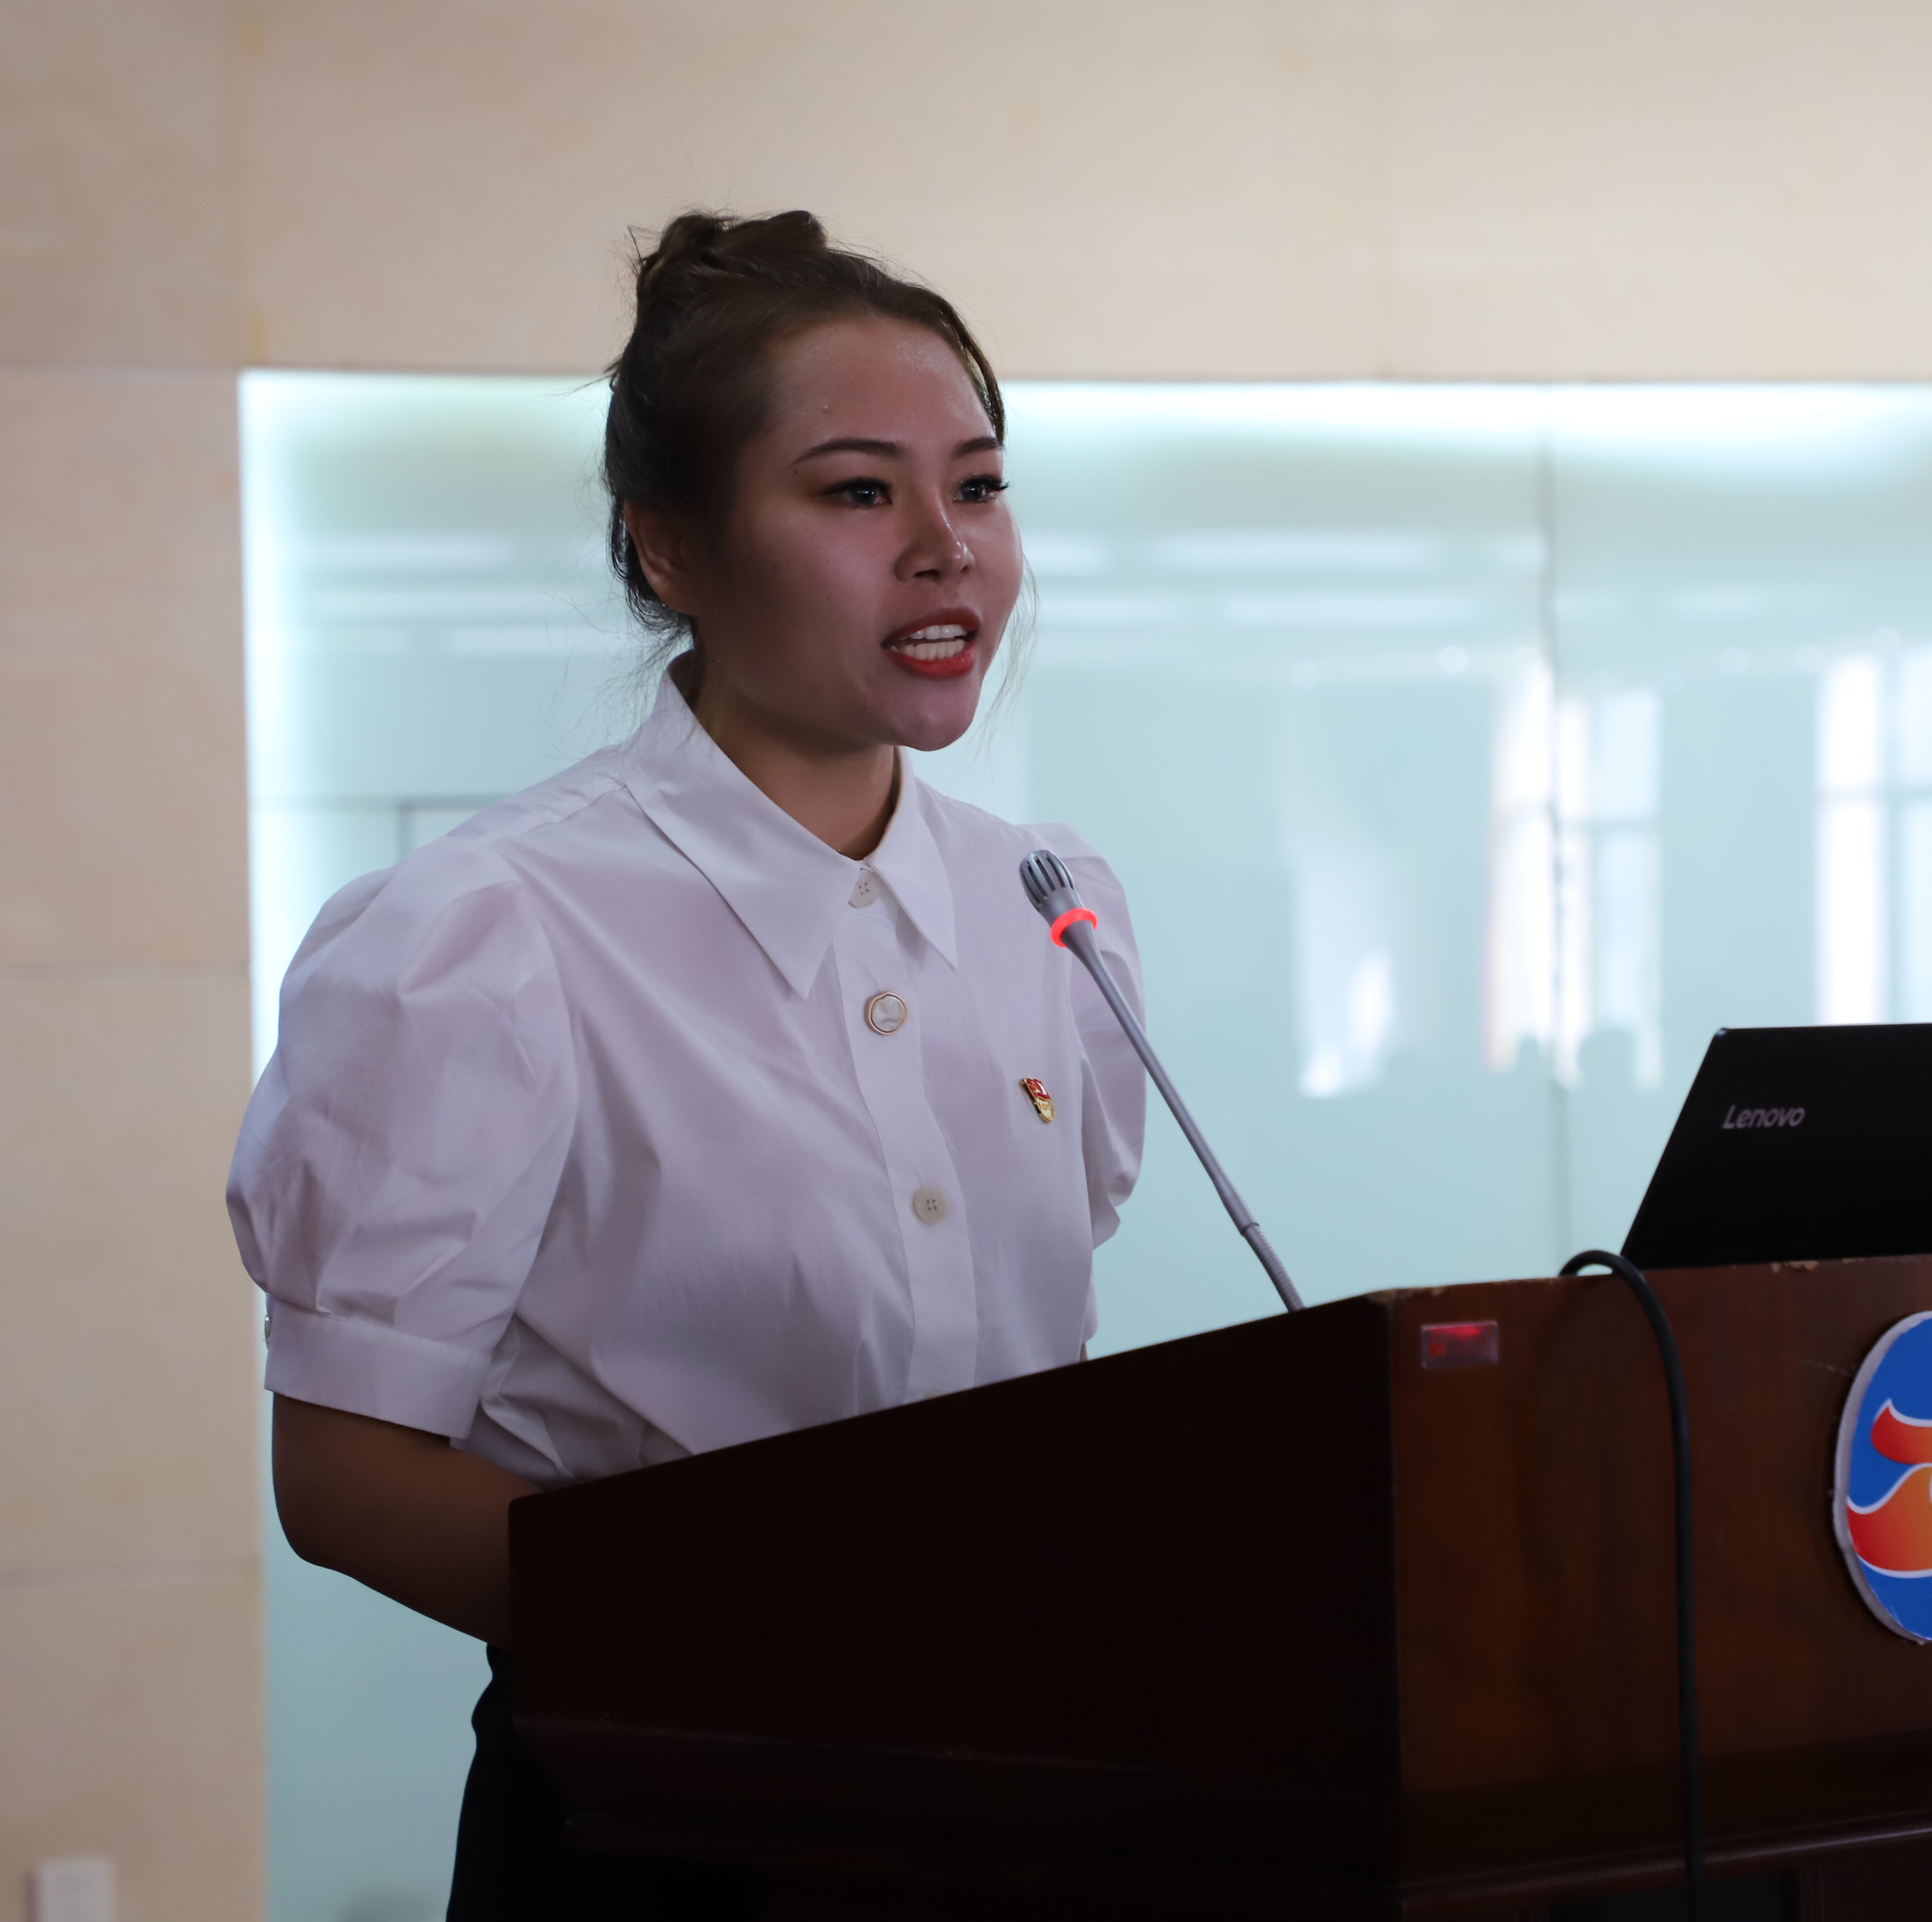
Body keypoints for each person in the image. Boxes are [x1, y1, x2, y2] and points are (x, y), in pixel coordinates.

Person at [226, 210, 1147, 1917]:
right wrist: (767, 1638)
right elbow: (345, 1479)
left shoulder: (1047, 905)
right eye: (858, 492)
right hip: (655, 1816)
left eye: (979, 485)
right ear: (669, 549)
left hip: (1022, 1795)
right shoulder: (487, 933)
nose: (945, 549)